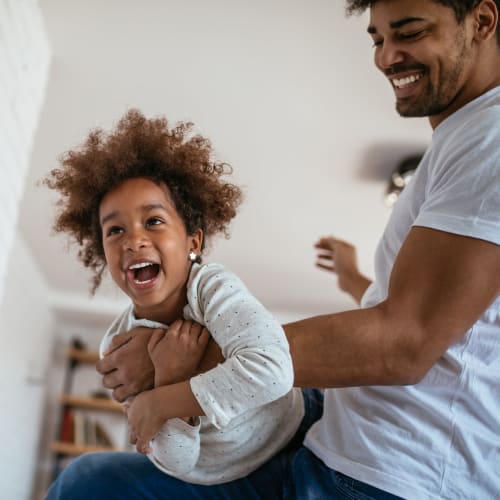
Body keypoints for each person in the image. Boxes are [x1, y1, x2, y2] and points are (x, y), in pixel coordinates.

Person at [53, 0, 500, 498]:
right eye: (377, 39)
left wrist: (177, 367)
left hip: (393, 474)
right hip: (335, 441)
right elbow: (436, 314)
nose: (386, 56)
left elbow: (409, 341)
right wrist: (356, 280)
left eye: (409, 32)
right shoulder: (462, 141)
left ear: (482, 21)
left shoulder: (491, 137)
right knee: (87, 481)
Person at [43, 110, 319, 497]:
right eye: (115, 230)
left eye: (153, 221)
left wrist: (163, 399)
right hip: (222, 478)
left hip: (295, 434)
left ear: (193, 243)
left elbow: (273, 371)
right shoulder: (118, 347)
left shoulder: (211, 287)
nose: (132, 240)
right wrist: (171, 376)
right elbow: (177, 461)